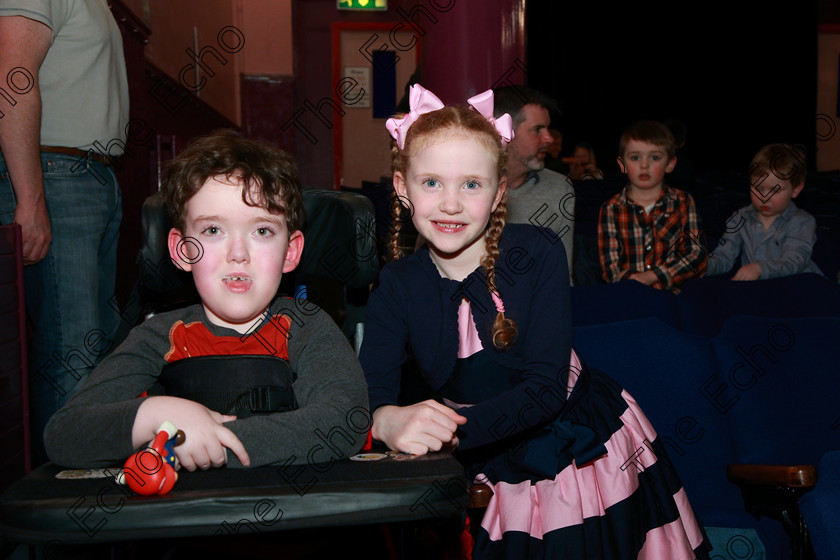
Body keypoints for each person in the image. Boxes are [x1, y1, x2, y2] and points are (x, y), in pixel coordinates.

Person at [361, 85, 710, 558]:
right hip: (473, 449)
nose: (450, 204)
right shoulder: (397, 284)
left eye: (471, 184)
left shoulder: (537, 251)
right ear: (402, 188)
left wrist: (444, 432)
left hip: (572, 449)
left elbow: (545, 390)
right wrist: (385, 419)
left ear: (499, 191)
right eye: (431, 183)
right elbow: (369, 394)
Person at [44, 131, 369, 470]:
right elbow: (64, 433)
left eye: (262, 231)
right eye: (213, 231)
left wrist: (211, 443)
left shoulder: (305, 325)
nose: (238, 254)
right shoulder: (158, 335)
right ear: (182, 250)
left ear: (290, 252)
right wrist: (157, 415)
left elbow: (345, 422)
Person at [0, 1, 128, 463]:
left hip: (90, 177)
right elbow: (11, 78)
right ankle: (62, 510)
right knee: (71, 352)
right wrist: (30, 198)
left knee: (94, 350)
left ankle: (80, 495)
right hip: (55, 176)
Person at [598, 120, 706, 291]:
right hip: (628, 295)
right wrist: (635, 284)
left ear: (670, 164)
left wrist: (653, 276)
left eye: (654, 157)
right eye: (635, 157)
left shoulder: (683, 201)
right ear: (622, 164)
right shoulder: (611, 208)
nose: (644, 165)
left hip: (674, 296)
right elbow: (610, 268)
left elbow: (696, 255)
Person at [492, 86, 575, 281]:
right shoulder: (466, 186)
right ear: (505, 133)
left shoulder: (560, 188)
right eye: (538, 129)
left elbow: (562, 276)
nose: (549, 138)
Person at [706, 143, 823, 279]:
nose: (764, 197)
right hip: (761, 289)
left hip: (799, 285)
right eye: (758, 188)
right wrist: (701, 267)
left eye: (775, 190)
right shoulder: (740, 218)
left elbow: (794, 261)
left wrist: (760, 268)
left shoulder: (802, 221)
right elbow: (724, 256)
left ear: (796, 189)